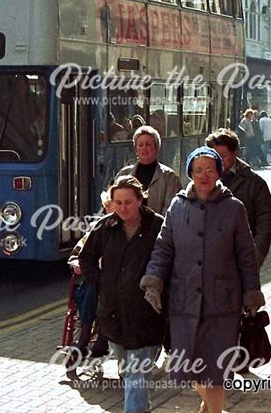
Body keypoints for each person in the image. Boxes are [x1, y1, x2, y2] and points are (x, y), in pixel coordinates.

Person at [141, 147, 264, 413]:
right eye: (198, 170)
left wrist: (252, 294)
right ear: (190, 174)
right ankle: (209, 408)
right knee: (190, 368)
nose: (204, 175)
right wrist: (153, 282)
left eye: (210, 169)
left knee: (216, 370)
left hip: (223, 305)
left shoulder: (234, 208)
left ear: (219, 172)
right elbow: (163, 248)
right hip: (184, 302)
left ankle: (214, 410)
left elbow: (246, 256)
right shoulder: (177, 205)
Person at [79, 176, 166, 413]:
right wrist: (100, 282)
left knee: (137, 375)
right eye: (117, 203)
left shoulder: (158, 226)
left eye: (128, 202)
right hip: (113, 314)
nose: (122, 208)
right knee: (129, 372)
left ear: (140, 199)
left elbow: (171, 260)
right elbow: (85, 257)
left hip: (145, 314)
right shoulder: (105, 227)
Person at [205, 128, 271, 267]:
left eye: (223, 155)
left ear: (235, 153)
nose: (218, 160)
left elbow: (266, 218)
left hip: (242, 258)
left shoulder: (254, 182)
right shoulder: (202, 180)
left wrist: (257, 253)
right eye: (214, 155)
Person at [65, 188, 115, 375]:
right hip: (94, 282)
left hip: (119, 285)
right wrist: (75, 263)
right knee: (92, 292)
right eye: (110, 208)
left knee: (103, 294)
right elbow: (77, 254)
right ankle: (87, 336)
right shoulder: (97, 229)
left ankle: (94, 338)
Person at [115, 126, 182, 217]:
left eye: (148, 144)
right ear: (136, 150)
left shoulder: (169, 177)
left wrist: (156, 226)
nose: (144, 148)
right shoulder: (124, 174)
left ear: (156, 147)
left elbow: (171, 210)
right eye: (140, 145)